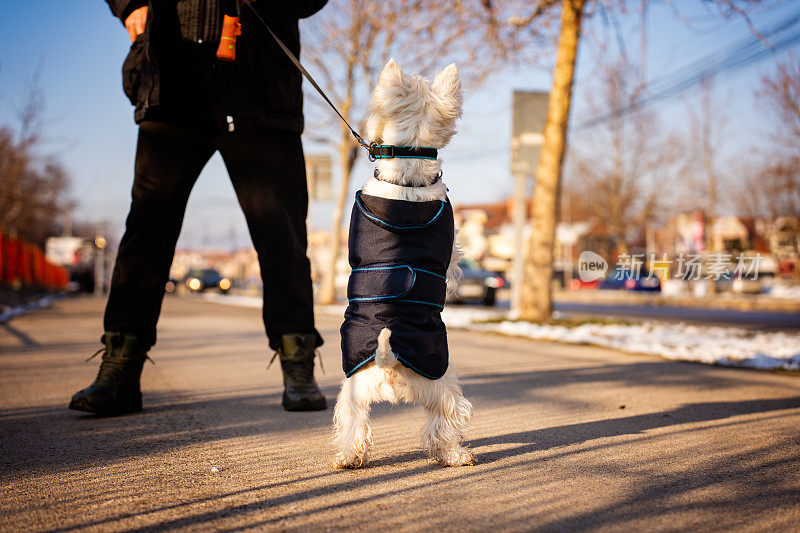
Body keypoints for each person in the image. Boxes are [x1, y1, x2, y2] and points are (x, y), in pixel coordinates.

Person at [69, 0, 328, 416]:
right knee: (146, 232)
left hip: (259, 86)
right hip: (173, 82)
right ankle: (120, 366)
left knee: (282, 234)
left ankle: (299, 364)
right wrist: (129, 3)